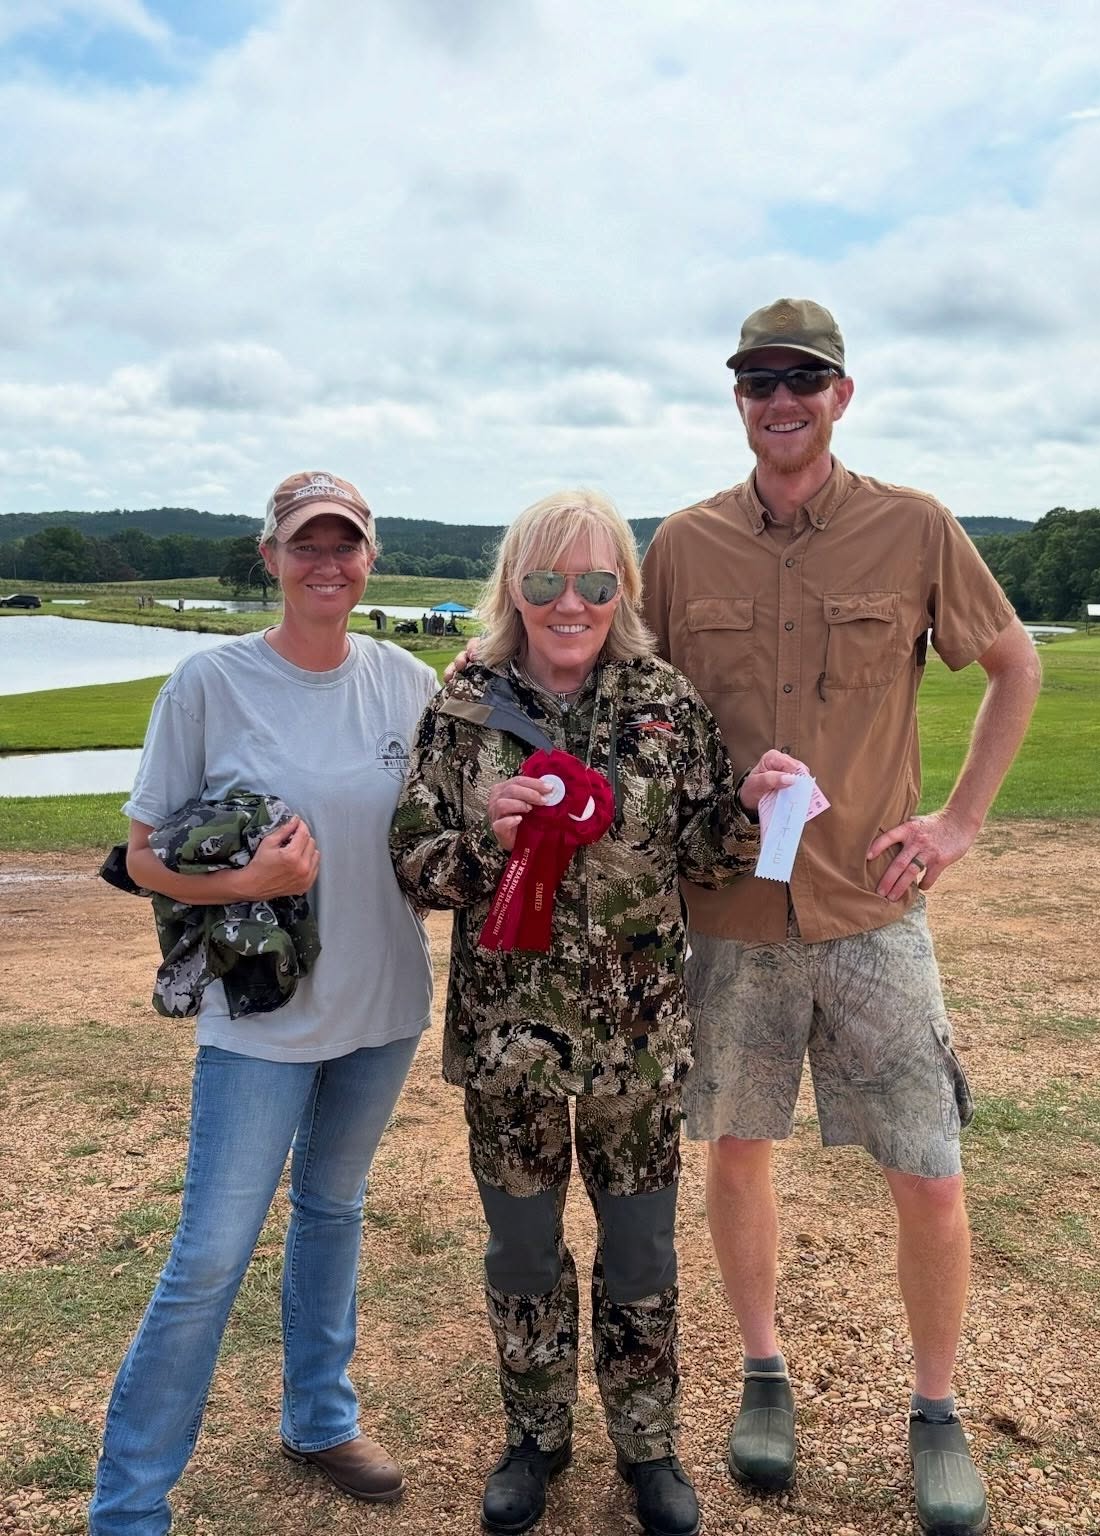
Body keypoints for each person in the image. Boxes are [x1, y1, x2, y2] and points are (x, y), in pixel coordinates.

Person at [639, 299, 1042, 1536]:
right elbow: (639, 710)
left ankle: (935, 1410)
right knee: (737, 1149)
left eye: (802, 381)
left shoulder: (914, 526)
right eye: (758, 383)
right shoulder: (685, 544)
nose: (781, 402)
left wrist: (960, 824)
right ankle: (765, 1373)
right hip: (731, 914)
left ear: (841, 395)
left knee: (927, 1167)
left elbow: (1013, 660)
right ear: (739, 402)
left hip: (875, 909)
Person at [390, 490, 796, 1536]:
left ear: (623, 590)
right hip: (509, 1046)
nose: (570, 603)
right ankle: (535, 1438)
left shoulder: (667, 702)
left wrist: (749, 808)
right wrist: (489, 832)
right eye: (545, 582)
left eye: (595, 582)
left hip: (638, 1043)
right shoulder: (464, 707)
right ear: (513, 589)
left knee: (642, 1255)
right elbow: (414, 868)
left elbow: (702, 851)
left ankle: (648, 1447)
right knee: (523, 1253)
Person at [89, 471, 438, 1536]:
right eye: (306, 545)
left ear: (371, 556)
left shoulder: (410, 683)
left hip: (384, 1009)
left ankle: (320, 1419)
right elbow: (141, 861)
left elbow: (439, 837)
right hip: (262, 1019)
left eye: (348, 544)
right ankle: (129, 1506)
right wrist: (246, 886)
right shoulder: (209, 684)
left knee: (333, 1210)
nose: (327, 563)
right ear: (270, 556)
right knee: (210, 1253)